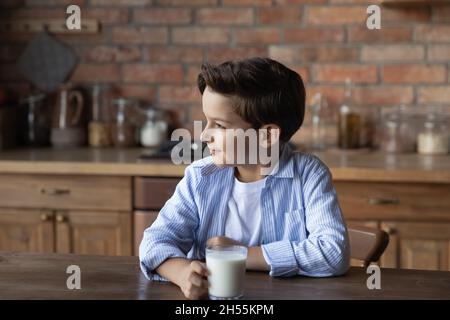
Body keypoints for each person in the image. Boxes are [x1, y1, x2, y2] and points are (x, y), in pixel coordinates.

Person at [139, 57, 350, 300]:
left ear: (268, 135)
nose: (205, 134)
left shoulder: (308, 175)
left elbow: (333, 253)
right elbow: (154, 242)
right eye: (207, 121)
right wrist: (181, 272)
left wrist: (240, 253)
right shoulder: (200, 177)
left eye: (219, 125)